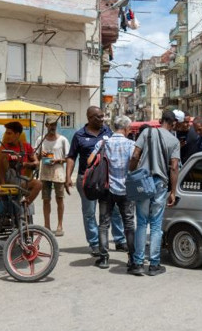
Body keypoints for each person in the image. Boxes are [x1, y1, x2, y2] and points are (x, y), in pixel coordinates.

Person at [66, 106, 126, 256]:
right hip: (87, 180)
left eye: (103, 116)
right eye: (98, 117)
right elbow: (71, 157)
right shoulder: (79, 135)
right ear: (89, 118)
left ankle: (119, 240)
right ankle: (94, 243)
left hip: (107, 178)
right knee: (89, 213)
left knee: (115, 211)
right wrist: (67, 177)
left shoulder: (108, 132)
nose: (102, 119)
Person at [128, 110, 181, 276]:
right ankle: (154, 265)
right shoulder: (174, 140)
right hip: (160, 183)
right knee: (156, 225)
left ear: (160, 120)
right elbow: (174, 167)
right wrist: (173, 191)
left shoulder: (146, 132)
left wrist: (132, 171)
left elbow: (135, 155)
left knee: (142, 223)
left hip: (143, 182)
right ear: (173, 123)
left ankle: (137, 264)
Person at [88, 116, 137, 270]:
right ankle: (132, 259)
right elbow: (135, 163)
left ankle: (103, 259)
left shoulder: (103, 142)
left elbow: (89, 161)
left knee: (103, 224)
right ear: (127, 128)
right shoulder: (131, 144)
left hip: (106, 189)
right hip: (126, 190)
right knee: (129, 224)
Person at [0, 121, 43, 208]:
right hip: (5, 179)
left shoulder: (26, 147)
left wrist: (26, 164)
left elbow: (36, 162)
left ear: (17, 134)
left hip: (19, 179)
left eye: (9, 133)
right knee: (2, 153)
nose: (7, 135)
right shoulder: (3, 148)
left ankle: (25, 205)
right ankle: (3, 185)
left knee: (39, 184)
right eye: (6, 133)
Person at [38, 120, 69, 236]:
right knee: (46, 200)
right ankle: (47, 226)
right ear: (46, 125)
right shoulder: (41, 139)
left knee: (59, 199)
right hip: (45, 173)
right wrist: (40, 155)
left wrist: (58, 160)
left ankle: (60, 225)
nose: (53, 127)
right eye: (51, 125)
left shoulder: (63, 140)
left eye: (55, 125)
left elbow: (69, 158)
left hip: (58, 173)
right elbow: (35, 155)